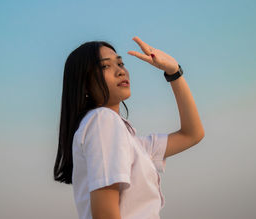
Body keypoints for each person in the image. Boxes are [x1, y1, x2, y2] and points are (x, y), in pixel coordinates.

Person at [54, 36, 205, 219]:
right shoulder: (102, 121)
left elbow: (192, 134)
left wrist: (174, 72)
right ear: (84, 83)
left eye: (120, 63)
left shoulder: (129, 140)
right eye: (105, 66)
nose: (120, 71)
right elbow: (105, 214)